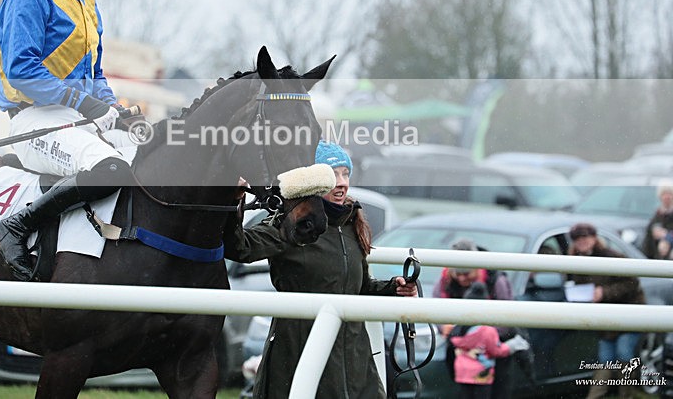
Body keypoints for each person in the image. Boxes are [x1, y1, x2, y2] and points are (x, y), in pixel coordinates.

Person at [0, 0, 137, 282]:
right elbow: (21, 72)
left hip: (76, 120)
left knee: (150, 155)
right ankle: (15, 227)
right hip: (34, 121)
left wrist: (111, 107)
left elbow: (95, 74)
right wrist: (85, 103)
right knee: (111, 170)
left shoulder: (88, 3)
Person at [223, 140, 417, 399]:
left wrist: (394, 287)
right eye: (332, 174)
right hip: (299, 355)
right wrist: (234, 201)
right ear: (312, 181)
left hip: (355, 359)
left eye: (345, 174)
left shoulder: (352, 223)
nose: (342, 183)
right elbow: (240, 249)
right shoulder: (290, 223)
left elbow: (359, 288)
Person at [567, 222, 645, 399]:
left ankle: (626, 395)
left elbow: (632, 283)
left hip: (628, 314)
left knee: (624, 352)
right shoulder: (574, 261)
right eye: (577, 239)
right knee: (605, 359)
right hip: (605, 319)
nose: (581, 241)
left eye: (585, 237)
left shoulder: (612, 257)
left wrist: (604, 292)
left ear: (594, 238)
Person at [434, 238, 520, 398]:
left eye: (467, 273)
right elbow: (436, 309)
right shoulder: (445, 280)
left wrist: (479, 335)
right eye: (457, 274)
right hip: (462, 353)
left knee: (499, 393)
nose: (462, 278)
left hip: (495, 349)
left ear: (478, 269)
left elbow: (509, 318)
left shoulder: (497, 280)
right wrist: (443, 327)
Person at [448, 282, 529, 399]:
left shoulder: (458, 328)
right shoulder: (488, 331)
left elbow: (452, 342)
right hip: (482, 374)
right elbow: (496, 350)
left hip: (463, 373)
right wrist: (511, 346)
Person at [642, 179, 673, 259]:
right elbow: (648, 239)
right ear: (660, 196)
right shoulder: (657, 215)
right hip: (656, 259)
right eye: (664, 194)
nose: (667, 197)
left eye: (670, 194)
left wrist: (667, 237)